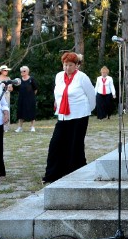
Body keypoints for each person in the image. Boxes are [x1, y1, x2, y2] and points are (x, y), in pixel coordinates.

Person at [42, 52, 96, 184]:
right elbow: (57, 92)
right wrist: (58, 103)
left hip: (79, 115)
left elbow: (91, 95)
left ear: (76, 65)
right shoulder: (59, 76)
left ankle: (75, 172)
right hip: (63, 115)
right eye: (65, 65)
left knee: (75, 144)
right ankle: (53, 174)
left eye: (70, 65)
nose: (67, 68)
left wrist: (88, 110)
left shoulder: (82, 77)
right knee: (56, 143)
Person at [14, 66, 39, 133]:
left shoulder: (31, 79)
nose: (22, 72)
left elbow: (35, 89)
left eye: (24, 71)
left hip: (30, 99)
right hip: (21, 99)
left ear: (28, 71)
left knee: (32, 112)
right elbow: (17, 89)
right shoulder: (19, 80)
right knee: (20, 113)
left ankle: (32, 127)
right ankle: (20, 127)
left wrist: (31, 96)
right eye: (21, 71)